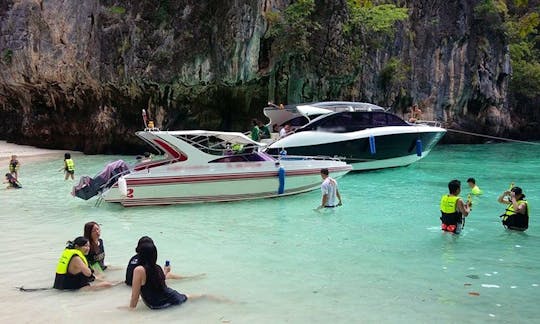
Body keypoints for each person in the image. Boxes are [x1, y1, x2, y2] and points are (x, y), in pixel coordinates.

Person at [128, 242, 189, 309]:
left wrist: (130, 311)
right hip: (164, 301)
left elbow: (135, 296)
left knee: (191, 297)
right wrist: (166, 271)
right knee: (190, 297)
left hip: (159, 303)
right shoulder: (157, 267)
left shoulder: (138, 270)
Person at [126, 236, 204, 286]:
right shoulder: (146, 263)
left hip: (130, 282)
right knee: (169, 275)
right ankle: (191, 278)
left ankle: (192, 278)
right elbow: (157, 278)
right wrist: (166, 271)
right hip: (138, 283)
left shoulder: (134, 258)